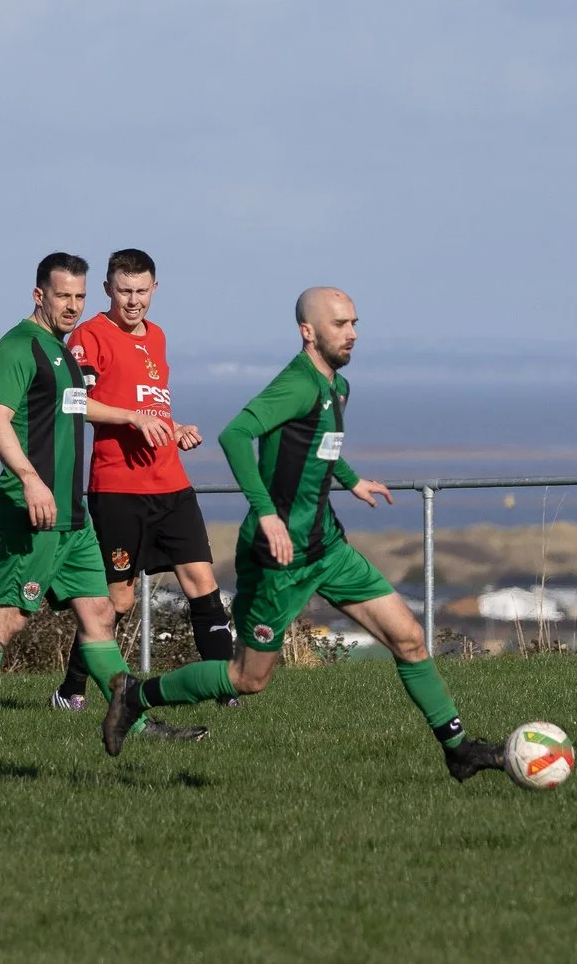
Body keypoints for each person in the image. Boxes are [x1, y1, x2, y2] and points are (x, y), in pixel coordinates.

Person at [101, 288, 509, 782]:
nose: (352, 333)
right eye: (340, 324)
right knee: (248, 679)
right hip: (278, 556)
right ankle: (135, 696)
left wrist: (352, 480)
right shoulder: (296, 384)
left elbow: (323, 447)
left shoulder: (338, 387)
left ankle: (459, 750)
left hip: (327, 546)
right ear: (308, 332)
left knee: (409, 639)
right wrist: (267, 514)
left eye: (355, 322)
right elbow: (234, 434)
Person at [0, 253, 205, 749]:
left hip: (74, 515)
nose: (72, 306)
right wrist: (29, 479)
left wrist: (157, 423)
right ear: (38, 294)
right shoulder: (18, 348)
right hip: (36, 512)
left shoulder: (62, 351)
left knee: (100, 615)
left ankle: (138, 723)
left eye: (80, 297)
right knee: (8, 619)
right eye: (63, 295)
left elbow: (83, 409)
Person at [51, 249, 235, 712]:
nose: (133, 301)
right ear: (109, 290)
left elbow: (151, 406)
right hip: (117, 489)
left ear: (155, 290)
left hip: (171, 484)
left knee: (201, 582)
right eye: (124, 291)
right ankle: (71, 692)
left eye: (142, 291)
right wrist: (134, 420)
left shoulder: (158, 337)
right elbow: (78, 404)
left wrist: (173, 428)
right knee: (117, 600)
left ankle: (225, 689)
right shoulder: (89, 336)